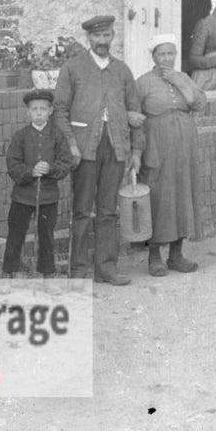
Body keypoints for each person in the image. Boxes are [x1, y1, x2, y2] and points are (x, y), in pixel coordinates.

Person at [52, 15, 146, 285]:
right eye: (97, 36)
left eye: (107, 36)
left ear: (113, 37)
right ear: (88, 38)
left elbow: (135, 112)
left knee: (108, 210)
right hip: (84, 149)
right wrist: (71, 144)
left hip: (116, 147)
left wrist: (136, 152)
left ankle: (106, 268)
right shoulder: (73, 68)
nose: (102, 41)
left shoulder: (122, 71)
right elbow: (59, 110)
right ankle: (79, 271)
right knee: (82, 210)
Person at [135, 34, 208, 276]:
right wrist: (137, 149)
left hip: (184, 147)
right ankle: (154, 256)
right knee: (159, 197)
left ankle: (176, 255)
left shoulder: (183, 77)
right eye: (162, 54)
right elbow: (134, 118)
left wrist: (181, 82)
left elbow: (199, 104)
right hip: (156, 146)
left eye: (171, 53)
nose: (167, 58)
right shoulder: (143, 83)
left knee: (182, 194)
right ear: (153, 57)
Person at [2, 89, 75, 278]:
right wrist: (30, 171)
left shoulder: (57, 136)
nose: (39, 113)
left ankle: (47, 273)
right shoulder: (21, 136)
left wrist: (50, 169)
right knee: (16, 235)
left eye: (43, 109)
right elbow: (12, 164)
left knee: (47, 237)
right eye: (34, 109)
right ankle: (11, 272)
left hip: (48, 196)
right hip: (22, 196)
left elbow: (66, 162)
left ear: (50, 111)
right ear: (28, 112)